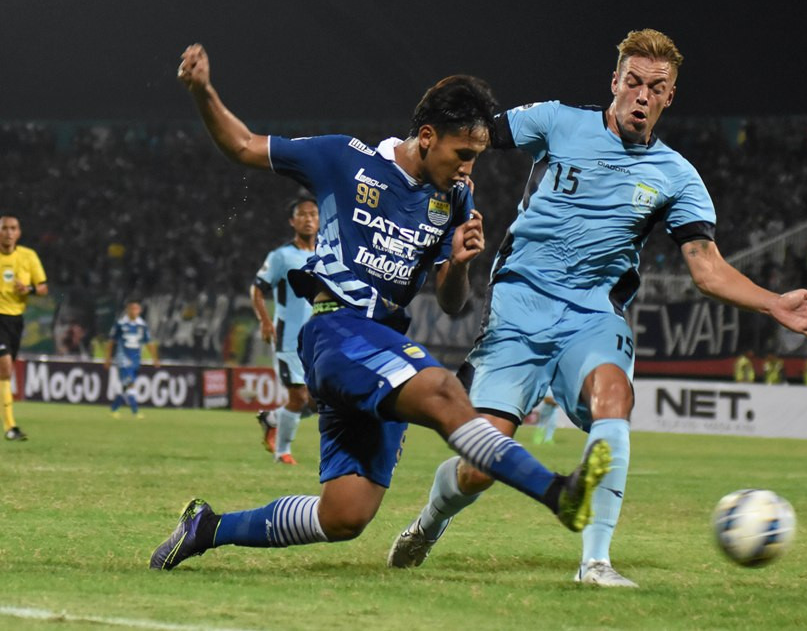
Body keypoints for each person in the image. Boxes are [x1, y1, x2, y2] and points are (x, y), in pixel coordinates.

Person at [388, 29, 807, 587]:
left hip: (593, 314)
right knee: (480, 465)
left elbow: (706, 269)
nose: (641, 95)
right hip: (519, 306)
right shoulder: (557, 121)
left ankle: (596, 562)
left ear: (668, 97)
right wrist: (415, 177)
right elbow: (469, 137)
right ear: (615, 82)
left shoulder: (676, 176)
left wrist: (775, 303)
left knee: (615, 398)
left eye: (655, 87)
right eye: (632, 82)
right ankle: (429, 523)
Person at [150, 44, 611, 571]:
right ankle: (558, 493)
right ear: (428, 136)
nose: (468, 168)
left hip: (380, 344)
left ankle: (206, 527)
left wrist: (459, 263)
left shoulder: (454, 200)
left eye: (476, 157)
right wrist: (203, 91)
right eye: (462, 153)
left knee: (344, 515)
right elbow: (244, 146)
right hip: (336, 332)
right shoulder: (344, 159)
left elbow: (452, 303)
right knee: (443, 389)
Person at [251, 195, 319, 465]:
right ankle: (282, 453)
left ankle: (273, 418)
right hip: (288, 338)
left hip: (316, 340)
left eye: (313, 214)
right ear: (292, 221)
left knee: (316, 403)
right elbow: (257, 289)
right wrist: (265, 321)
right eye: (302, 214)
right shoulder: (281, 256)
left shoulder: (327, 254)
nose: (308, 219)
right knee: (298, 396)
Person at [0, 215, 48, 442]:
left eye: (13, 229)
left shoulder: (28, 256)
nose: (8, 232)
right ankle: (10, 426)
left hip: (15, 320)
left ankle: (9, 427)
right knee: (5, 367)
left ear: (18, 233)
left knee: (5, 371)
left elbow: (43, 288)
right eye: (4, 228)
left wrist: (27, 290)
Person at [103, 299, 160, 418]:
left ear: (140, 310)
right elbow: (110, 343)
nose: (134, 311)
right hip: (123, 359)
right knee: (131, 384)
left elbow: (149, 342)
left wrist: (155, 358)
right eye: (132, 308)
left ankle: (114, 408)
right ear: (127, 310)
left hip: (135, 359)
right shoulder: (120, 324)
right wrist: (107, 359)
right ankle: (136, 411)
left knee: (125, 387)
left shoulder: (142, 325)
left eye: (136, 309)